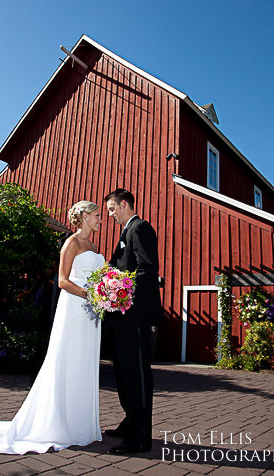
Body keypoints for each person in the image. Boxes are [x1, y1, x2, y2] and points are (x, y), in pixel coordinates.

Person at [0, 201, 104, 454]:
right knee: (66, 359)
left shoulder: (93, 246)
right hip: (74, 307)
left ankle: (80, 423)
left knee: (84, 361)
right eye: (95, 215)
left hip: (91, 314)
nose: (99, 220)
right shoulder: (71, 243)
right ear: (83, 216)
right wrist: (89, 295)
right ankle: (56, 423)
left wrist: (104, 295)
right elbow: (62, 280)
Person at [104, 189, 162, 454]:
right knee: (123, 373)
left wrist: (122, 292)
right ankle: (130, 422)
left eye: (112, 209)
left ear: (124, 204)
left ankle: (139, 438)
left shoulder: (139, 229)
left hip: (135, 315)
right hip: (122, 317)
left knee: (137, 376)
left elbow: (147, 269)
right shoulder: (126, 231)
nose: (111, 215)